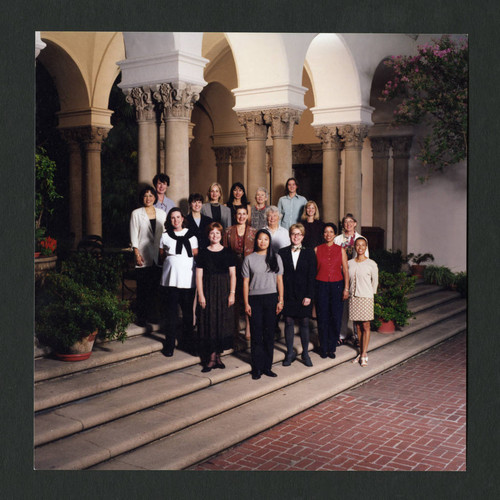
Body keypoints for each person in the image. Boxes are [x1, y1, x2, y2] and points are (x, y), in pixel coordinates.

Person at [242, 229, 284, 380]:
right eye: (260, 239)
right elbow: (246, 283)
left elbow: (280, 280)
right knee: (256, 335)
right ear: (256, 241)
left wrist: (281, 300)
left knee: (268, 334)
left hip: (271, 298)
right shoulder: (249, 259)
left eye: (266, 239)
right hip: (255, 300)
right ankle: (257, 368)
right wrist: (246, 303)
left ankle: (268, 367)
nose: (263, 242)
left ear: (269, 241)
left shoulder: (276, 258)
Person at [196, 222, 237, 372]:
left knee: (222, 321)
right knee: (210, 321)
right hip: (208, 289)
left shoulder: (228, 252)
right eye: (212, 233)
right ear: (208, 235)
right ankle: (211, 358)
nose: (215, 236)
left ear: (221, 235)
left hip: (224, 290)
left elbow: (233, 274)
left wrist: (232, 293)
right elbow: (199, 276)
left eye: (217, 233)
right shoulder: (203, 252)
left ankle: (218, 356)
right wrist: (201, 295)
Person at [159, 207, 198, 356]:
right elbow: (162, 256)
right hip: (170, 281)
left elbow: (195, 256)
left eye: (178, 217)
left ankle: (187, 343)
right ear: (170, 220)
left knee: (188, 314)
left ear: (183, 219)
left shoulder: (192, 236)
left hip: (188, 281)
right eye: (172, 218)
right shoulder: (165, 236)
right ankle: (169, 345)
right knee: (171, 314)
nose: (175, 220)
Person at [278, 224, 316, 367]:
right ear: (290, 235)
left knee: (305, 323)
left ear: (303, 236)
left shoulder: (310, 252)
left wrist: (309, 295)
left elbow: (312, 276)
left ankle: (305, 354)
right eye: (294, 233)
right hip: (288, 294)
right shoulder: (282, 252)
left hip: (304, 294)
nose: (296, 236)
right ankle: (289, 353)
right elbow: (279, 276)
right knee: (288, 322)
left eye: (299, 234)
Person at [129, 185, 167, 326]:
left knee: (156, 288)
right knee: (143, 288)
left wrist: (164, 252)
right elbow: (134, 235)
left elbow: (165, 234)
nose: (148, 198)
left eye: (151, 195)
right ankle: (142, 318)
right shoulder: (136, 213)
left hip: (158, 255)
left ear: (155, 197)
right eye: (145, 195)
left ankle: (154, 316)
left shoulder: (162, 214)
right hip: (143, 255)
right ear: (142, 198)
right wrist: (136, 253)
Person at [314, 223, 350, 359]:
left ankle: (332, 347)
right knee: (322, 317)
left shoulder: (341, 250)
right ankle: (323, 347)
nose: (328, 234)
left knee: (335, 317)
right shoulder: (317, 249)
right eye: (326, 232)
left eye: (331, 232)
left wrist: (346, 288)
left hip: (337, 286)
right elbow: (313, 271)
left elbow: (345, 270)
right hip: (321, 285)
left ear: (335, 235)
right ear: (323, 235)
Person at [333, 213, 367, 346]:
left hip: (356, 275)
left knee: (356, 305)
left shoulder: (361, 238)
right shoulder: (337, 239)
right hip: (340, 275)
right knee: (343, 305)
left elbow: (365, 258)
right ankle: (341, 335)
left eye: (350, 222)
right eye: (345, 222)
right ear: (343, 225)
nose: (348, 224)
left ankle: (356, 336)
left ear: (355, 224)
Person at [223, 206, 257, 339]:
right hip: (232, 267)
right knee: (235, 298)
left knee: (248, 297)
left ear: (247, 216)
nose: (241, 216)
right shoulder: (228, 231)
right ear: (235, 215)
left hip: (248, 267)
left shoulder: (254, 232)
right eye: (239, 214)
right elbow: (225, 251)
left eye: (244, 214)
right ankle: (234, 328)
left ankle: (249, 326)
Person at [348, 237, 378, 367]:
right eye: (358, 245)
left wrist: (371, 295)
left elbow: (375, 282)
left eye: (363, 245)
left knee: (366, 325)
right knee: (357, 326)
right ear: (354, 247)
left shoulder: (372, 264)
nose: (360, 248)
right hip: (353, 297)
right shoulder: (349, 263)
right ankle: (360, 352)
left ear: (366, 247)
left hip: (366, 297)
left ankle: (365, 353)